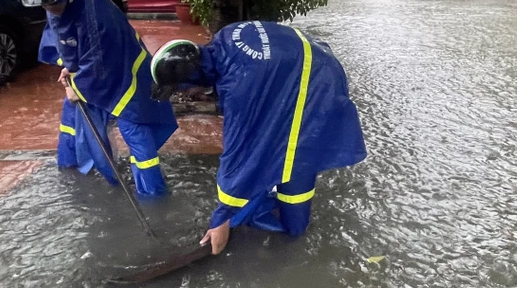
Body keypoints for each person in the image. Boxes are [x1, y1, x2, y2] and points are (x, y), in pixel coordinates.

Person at [149, 21, 366, 254]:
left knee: (299, 156)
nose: (187, 96)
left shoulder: (240, 88)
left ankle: (287, 220)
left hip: (320, 84)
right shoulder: (226, 37)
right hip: (316, 62)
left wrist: (221, 218)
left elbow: (239, 151)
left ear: (194, 77)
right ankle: (271, 193)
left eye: (184, 90)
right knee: (280, 144)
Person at [21, 0, 178, 197]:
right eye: (44, 4)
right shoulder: (55, 1)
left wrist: (77, 86)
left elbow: (98, 65)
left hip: (127, 74)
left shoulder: (95, 16)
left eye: (51, 3)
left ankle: (154, 196)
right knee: (72, 119)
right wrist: (70, 68)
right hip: (96, 70)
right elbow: (66, 41)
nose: (48, 9)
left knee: (136, 132)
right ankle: (72, 169)